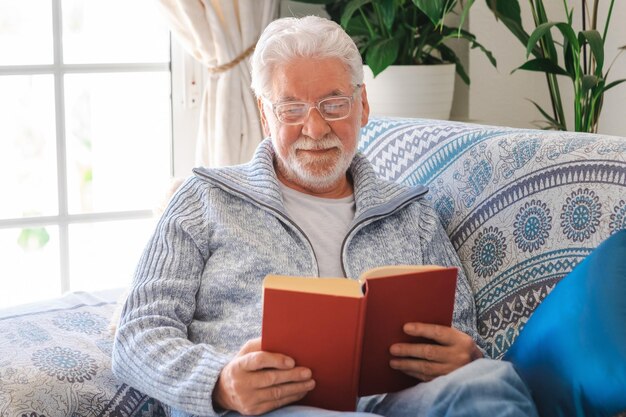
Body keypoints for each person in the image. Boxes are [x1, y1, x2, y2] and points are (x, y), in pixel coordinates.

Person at [112, 15, 538, 417]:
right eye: (291, 109)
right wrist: (219, 382)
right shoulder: (204, 198)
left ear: (363, 105)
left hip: (398, 402)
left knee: (490, 380)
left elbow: (459, 334)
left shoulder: (413, 214)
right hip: (270, 408)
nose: (315, 130)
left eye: (333, 104)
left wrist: (465, 355)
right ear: (265, 116)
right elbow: (138, 334)